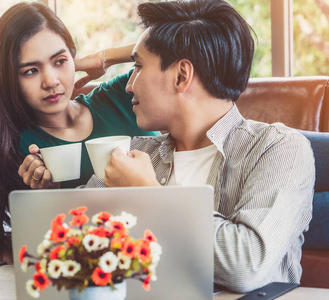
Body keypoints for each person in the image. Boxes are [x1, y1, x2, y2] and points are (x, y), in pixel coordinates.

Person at [84, 0, 315, 293]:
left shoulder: (279, 150)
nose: (129, 85)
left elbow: (246, 265)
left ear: (182, 75)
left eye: (138, 67)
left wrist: (149, 195)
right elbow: (69, 240)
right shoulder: (137, 153)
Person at [0, 2, 158, 261]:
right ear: (9, 79)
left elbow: (193, 43)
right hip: (112, 264)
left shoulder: (122, 95)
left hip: (169, 231)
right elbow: (45, 248)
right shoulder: (23, 149)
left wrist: (104, 57)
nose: (50, 81)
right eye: (30, 71)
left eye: (60, 61)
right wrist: (46, 197)